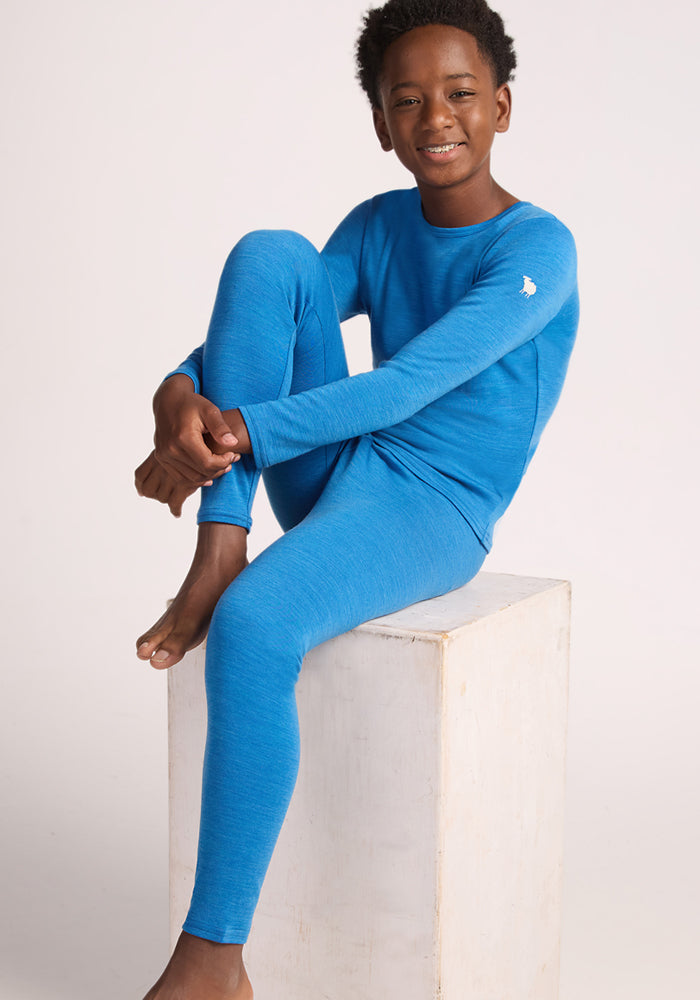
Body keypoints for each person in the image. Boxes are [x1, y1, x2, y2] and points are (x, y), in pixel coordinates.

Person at [134, 0, 579, 996]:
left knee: (256, 627)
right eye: (407, 100)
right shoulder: (379, 223)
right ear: (380, 122)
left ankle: (213, 961)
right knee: (271, 255)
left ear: (502, 106)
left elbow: (409, 384)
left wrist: (233, 430)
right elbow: (261, 322)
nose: (436, 119)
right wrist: (174, 391)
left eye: (460, 94)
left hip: (433, 508)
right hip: (339, 468)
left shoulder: (538, 251)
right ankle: (220, 538)